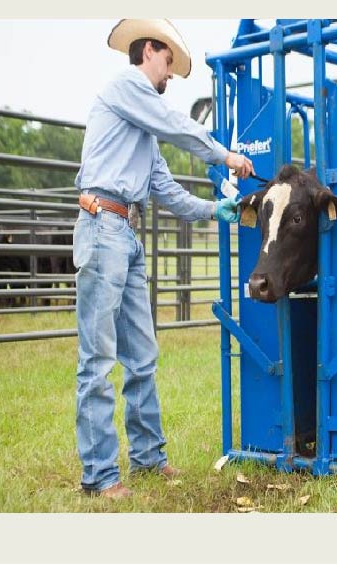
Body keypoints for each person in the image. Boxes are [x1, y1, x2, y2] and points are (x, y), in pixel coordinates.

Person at [72, 19, 254, 499]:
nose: (170, 75)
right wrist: (225, 156)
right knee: (97, 357)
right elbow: (178, 126)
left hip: (125, 234)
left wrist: (215, 209)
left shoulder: (142, 127)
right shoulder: (127, 87)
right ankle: (99, 477)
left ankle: (149, 457)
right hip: (103, 225)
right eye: (168, 62)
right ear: (149, 50)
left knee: (142, 355)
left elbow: (167, 190)